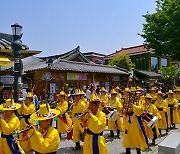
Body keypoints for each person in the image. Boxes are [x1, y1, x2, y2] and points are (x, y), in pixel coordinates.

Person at [122, 88, 148, 154]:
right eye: (126, 93)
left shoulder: (138, 102)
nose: (127, 94)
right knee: (127, 138)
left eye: (128, 93)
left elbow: (140, 110)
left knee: (137, 138)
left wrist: (133, 106)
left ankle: (138, 152)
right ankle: (128, 151)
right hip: (127, 121)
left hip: (135, 122)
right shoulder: (125, 102)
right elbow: (122, 111)